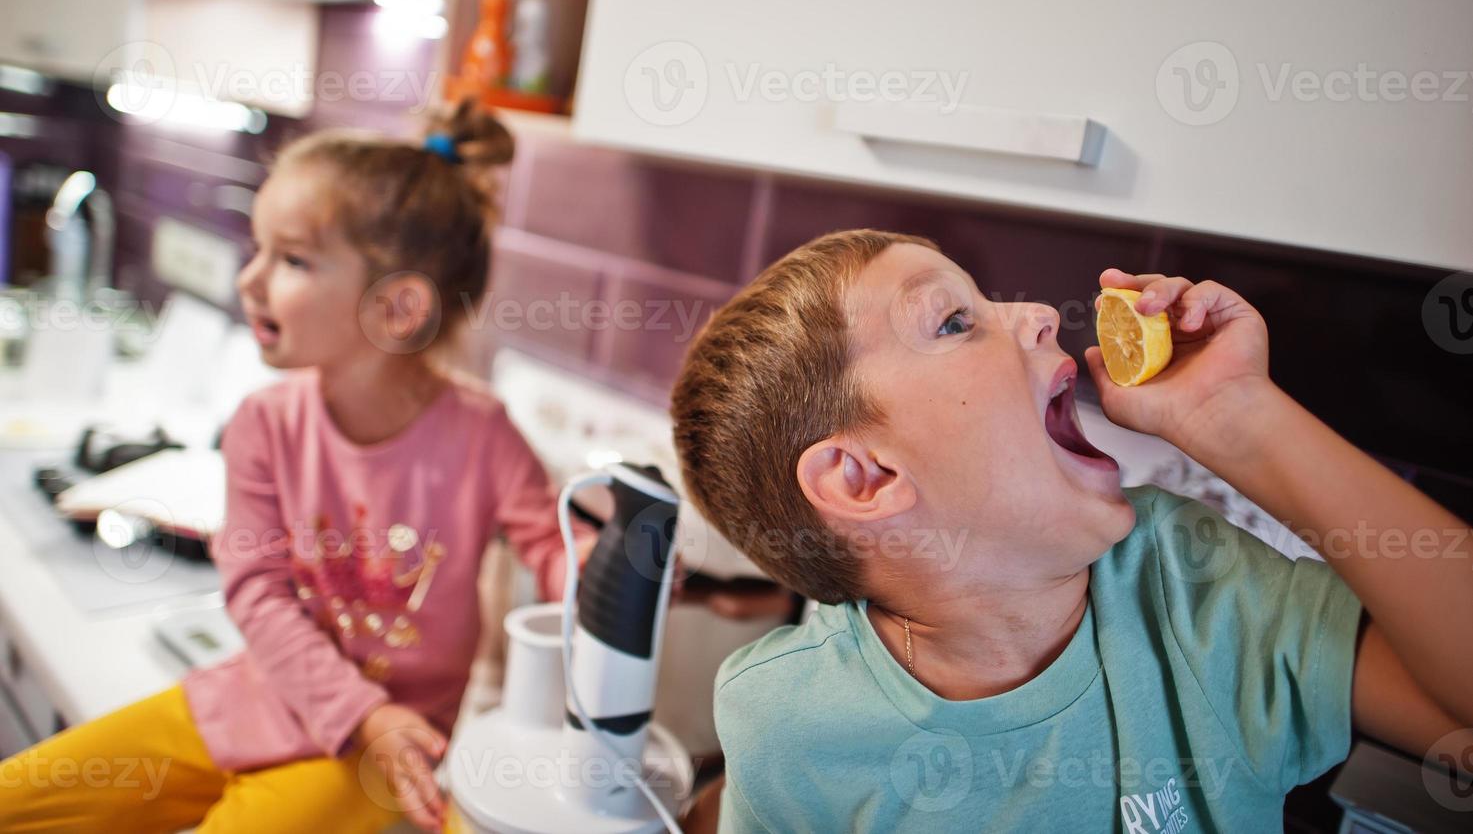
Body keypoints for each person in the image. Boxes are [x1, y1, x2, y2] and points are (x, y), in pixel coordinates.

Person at [669, 229, 1473, 831]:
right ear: (865, 478)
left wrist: (1240, 420)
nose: (1040, 316)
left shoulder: (1191, 591)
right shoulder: (786, 719)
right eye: (953, 321)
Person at [0, 101, 592, 833]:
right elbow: (257, 593)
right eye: (258, 250)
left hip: (384, 747)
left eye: (291, 260)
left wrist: (608, 568)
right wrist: (357, 709)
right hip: (257, 696)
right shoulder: (263, 425)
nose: (249, 280)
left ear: (398, 307)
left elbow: (557, 548)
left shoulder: (481, 437)